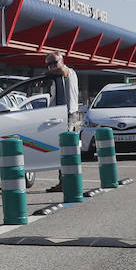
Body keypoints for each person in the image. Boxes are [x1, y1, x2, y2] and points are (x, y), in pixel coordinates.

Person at [44, 51, 79, 192]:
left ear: (62, 60)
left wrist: (48, 73)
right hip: (57, 115)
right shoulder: (55, 78)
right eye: (49, 64)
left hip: (68, 115)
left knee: (66, 148)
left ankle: (69, 181)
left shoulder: (68, 72)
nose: (52, 66)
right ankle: (63, 181)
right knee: (61, 149)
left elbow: (62, 71)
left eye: (55, 62)